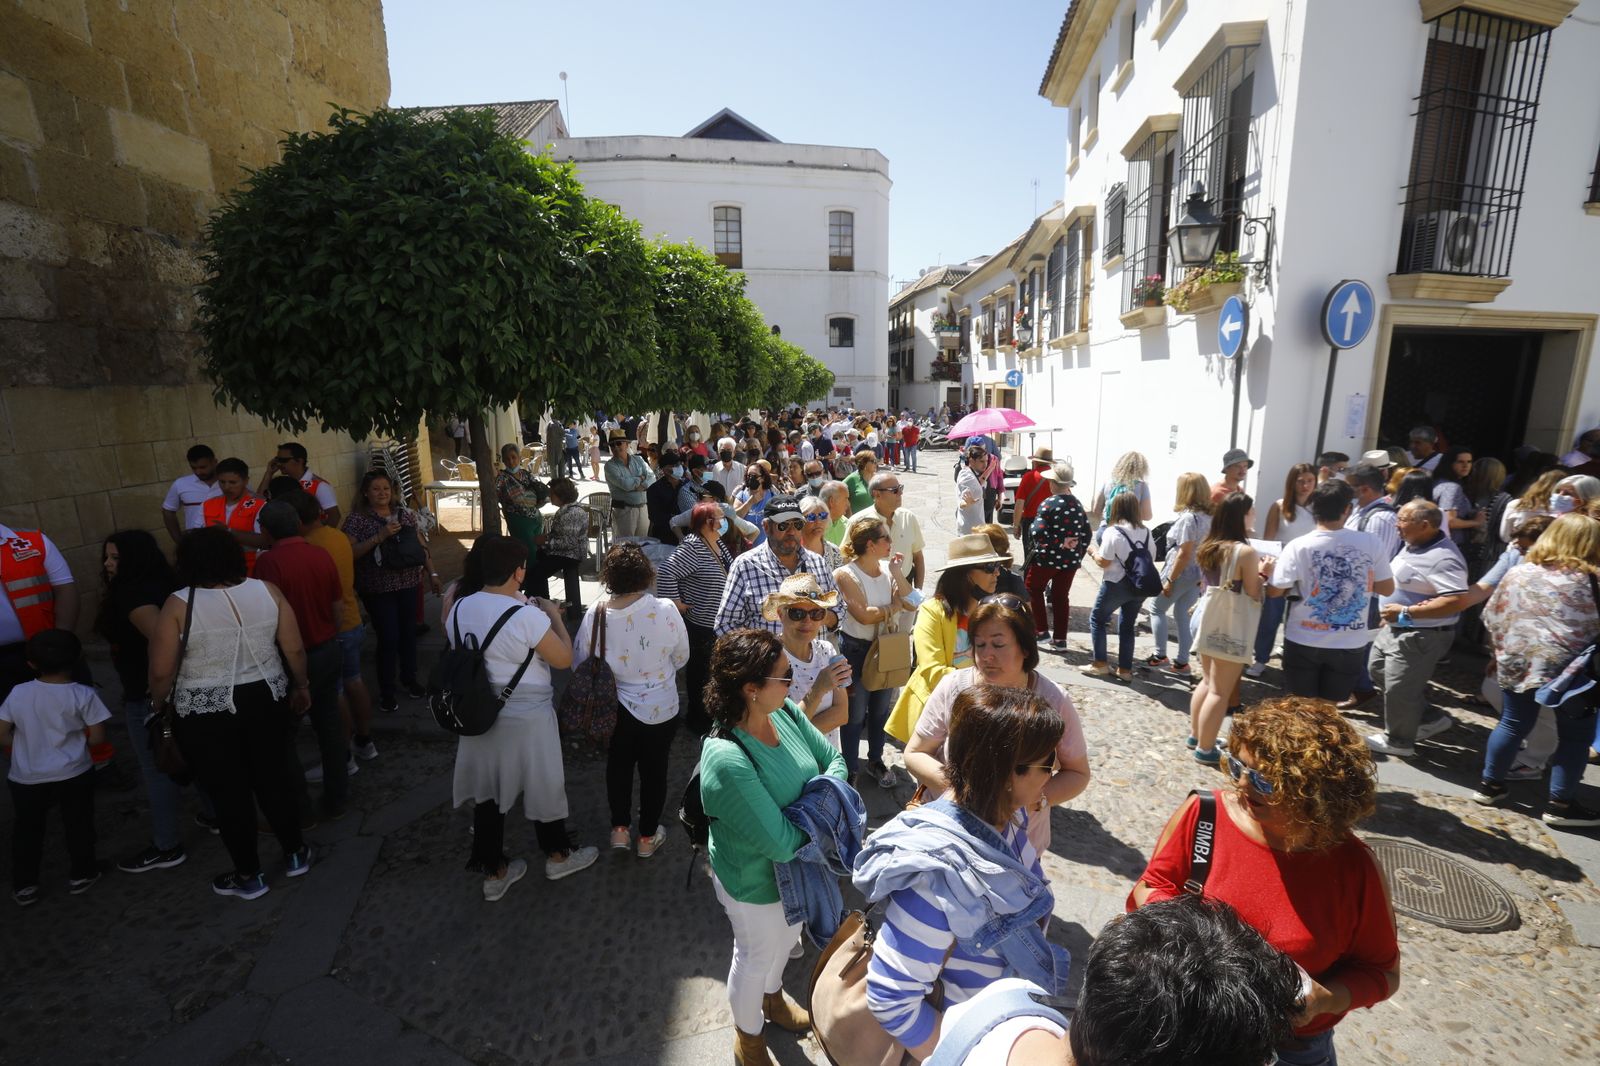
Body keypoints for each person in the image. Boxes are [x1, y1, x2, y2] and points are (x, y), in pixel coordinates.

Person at [1131, 697, 1401, 1066]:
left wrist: (1326, 999)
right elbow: (1149, 888)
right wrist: (1195, 937)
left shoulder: (1354, 868)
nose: (1243, 783)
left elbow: (1381, 972)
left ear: (1315, 792)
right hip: (1189, 1021)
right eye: (1239, 764)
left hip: (1291, 1047)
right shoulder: (1205, 815)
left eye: (1265, 780)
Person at [854, 684, 1071, 1060]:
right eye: (1047, 765)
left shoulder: (1011, 815)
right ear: (1007, 776)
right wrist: (958, 1054)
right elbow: (891, 998)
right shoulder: (935, 876)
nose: (1051, 776)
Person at [699, 628, 848, 1066]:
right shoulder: (727, 759)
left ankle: (772, 1000)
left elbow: (835, 762)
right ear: (751, 689)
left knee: (784, 943)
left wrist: (810, 808)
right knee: (755, 954)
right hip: (754, 882)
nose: (794, 683)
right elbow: (783, 844)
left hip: (799, 874)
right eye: (785, 677)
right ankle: (748, 1040)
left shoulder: (784, 712)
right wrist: (823, 806)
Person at [148, 527, 311, 901]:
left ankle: (249, 874)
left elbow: (160, 671)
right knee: (274, 779)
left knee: (228, 792)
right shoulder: (267, 590)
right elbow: (294, 649)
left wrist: (159, 705)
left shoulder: (177, 603)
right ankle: (296, 853)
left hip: (206, 708)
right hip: (266, 697)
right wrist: (301, 686)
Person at [447, 536, 596, 899]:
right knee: (543, 783)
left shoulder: (458, 606)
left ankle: (494, 873)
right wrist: (554, 617)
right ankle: (558, 855)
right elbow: (562, 659)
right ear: (518, 571)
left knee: (488, 791)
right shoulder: (526, 614)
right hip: (527, 713)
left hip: (479, 712)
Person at [904, 597, 1089, 855]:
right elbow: (915, 752)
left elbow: (1078, 773)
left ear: (1025, 648)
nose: (987, 655)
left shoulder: (1052, 699)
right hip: (950, 830)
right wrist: (961, 792)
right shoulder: (955, 687)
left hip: (1019, 845)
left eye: (999, 644)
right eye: (980, 644)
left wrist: (1036, 798)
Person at [1475, 513, 1600, 827]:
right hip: (1573, 672)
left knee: (1513, 723)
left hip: (1519, 660)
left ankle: (1490, 786)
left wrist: (1499, 651)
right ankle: (1560, 804)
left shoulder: (1519, 572)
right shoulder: (1594, 578)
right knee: (1574, 737)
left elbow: (1493, 616)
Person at [567, 543, 689, 857]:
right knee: (655, 771)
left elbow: (580, 660)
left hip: (613, 709)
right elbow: (681, 656)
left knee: (617, 768)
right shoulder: (665, 609)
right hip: (660, 707)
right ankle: (647, 837)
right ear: (646, 574)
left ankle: (619, 830)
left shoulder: (596, 612)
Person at [99, 530, 210, 873]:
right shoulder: (167, 584)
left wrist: (157, 694)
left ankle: (166, 845)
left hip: (149, 694)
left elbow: (164, 643)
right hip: (177, 688)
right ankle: (214, 814)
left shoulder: (133, 594)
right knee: (193, 756)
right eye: (107, 556)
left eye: (116, 557)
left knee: (157, 767)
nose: (107, 564)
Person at [252, 500, 348, 821]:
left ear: (265, 531)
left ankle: (300, 809)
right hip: (327, 647)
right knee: (329, 725)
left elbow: (267, 619)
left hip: (292, 656)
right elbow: (337, 605)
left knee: (286, 735)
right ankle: (338, 797)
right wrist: (328, 634)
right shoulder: (320, 554)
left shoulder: (268, 564)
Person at [1, 629, 111, 905]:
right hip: (74, 770)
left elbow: (2, 733)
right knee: (78, 822)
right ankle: (83, 872)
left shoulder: (18, 693)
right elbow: (97, 738)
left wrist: (24, 745)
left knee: (27, 829)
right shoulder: (83, 695)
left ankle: (25, 884)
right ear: (77, 659)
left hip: (27, 775)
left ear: (31, 664)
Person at [1268, 480, 1396, 702]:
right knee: (1329, 709)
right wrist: (1359, 580)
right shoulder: (1370, 542)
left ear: (1313, 508)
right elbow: (1387, 588)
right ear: (1348, 509)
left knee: (1302, 707)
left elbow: (1274, 592)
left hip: (1304, 637)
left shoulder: (1298, 546)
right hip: (1349, 641)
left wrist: (1269, 571)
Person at [1365, 499, 1469, 757]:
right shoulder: (1413, 545)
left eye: (1402, 520)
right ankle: (1429, 718)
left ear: (1424, 525)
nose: (1396, 524)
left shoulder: (1444, 557)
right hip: (1397, 626)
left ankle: (1399, 741)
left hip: (1421, 633)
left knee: (1400, 687)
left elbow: (1456, 600)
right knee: (1378, 670)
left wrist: (1407, 612)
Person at [886, 533, 1008, 742]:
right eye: (989, 567)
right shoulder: (932, 611)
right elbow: (932, 671)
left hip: (977, 714)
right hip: (938, 718)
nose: (997, 572)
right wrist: (986, 682)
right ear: (966, 575)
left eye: (998, 566)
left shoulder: (990, 613)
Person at [343, 471, 441, 713]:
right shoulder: (357, 520)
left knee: (408, 634)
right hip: (377, 589)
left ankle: (410, 679)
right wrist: (379, 536)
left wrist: (433, 574)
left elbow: (421, 545)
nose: (382, 493)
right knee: (388, 637)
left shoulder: (406, 514)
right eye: (376, 489)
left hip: (408, 583)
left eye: (386, 488)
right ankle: (387, 689)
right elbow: (350, 553)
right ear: (365, 492)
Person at [291, 492, 376, 768]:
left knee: (334, 692)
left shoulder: (308, 546)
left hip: (331, 625)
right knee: (354, 680)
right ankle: (365, 742)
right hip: (351, 620)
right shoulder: (338, 536)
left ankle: (344, 758)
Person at [833, 514, 913, 784]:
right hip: (856, 650)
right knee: (855, 713)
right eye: (885, 538)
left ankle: (876, 760)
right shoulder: (845, 574)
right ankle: (851, 766)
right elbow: (864, 616)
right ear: (870, 544)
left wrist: (898, 573)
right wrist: (893, 607)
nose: (891, 542)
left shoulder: (887, 570)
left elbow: (912, 602)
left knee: (880, 710)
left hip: (885, 648)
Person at [1187, 492, 1263, 764]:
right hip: (1228, 623)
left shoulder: (1211, 544)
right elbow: (1253, 591)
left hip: (1206, 615)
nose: (1254, 515)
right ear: (1241, 515)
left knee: (1207, 682)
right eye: (1251, 510)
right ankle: (1205, 749)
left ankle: (1197, 736)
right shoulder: (1245, 551)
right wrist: (1265, 572)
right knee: (1220, 690)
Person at [714, 495, 841, 636]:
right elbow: (725, 624)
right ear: (767, 527)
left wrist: (817, 615)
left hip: (815, 656)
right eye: (783, 525)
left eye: (797, 525)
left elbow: (840, 609)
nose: (792, 532)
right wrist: (764, 650)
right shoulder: (745, 565)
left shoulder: (818, 563)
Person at [659, 501, 733, 737]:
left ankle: (710, 715)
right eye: (719, 518)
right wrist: (675, 603)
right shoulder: (692, 546)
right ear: (707, 522)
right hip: (701, 623)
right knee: (700, 673)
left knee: (713, 672)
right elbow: (666, 572)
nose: (723, 523)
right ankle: (698, 720)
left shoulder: (716, 541)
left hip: (718, 622)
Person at [764, 574, 850, 750]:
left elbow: (842, 714)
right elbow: (780, 732)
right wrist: (818, 689)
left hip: (828, 760)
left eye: (816, 613)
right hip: (793, 768)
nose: (807, 621)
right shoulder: (769, 659)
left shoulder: (827, 650)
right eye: (797, 613)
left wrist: (799, 732)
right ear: (781, 613)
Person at [1250, 462, 1318, 677]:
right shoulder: (1279, 506)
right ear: (1292, 482)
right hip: (1280, 567)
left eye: (1310, 481)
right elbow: (1269, 540)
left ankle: (1292, 661)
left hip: (1307, 570)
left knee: (1298, 619)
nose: (1305, 485)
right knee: (1270, 617)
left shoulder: (1319, 507)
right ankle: (1260, 658)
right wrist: (1267, 568)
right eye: (1301, 481)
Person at [1081, 492, 1154, 682]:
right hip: (1139, 586)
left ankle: (1100, 664)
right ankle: (1125, 670)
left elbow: (1104, 562)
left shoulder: (1113, 531)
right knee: (1127, 626)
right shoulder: (1146, 531)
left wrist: (1092, 552)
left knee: (1097, 619)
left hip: (1116, 584)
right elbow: (1151, 557)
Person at [1146, 472, 1212, 676]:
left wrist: (1170, 580)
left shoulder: (1187, 519)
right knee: (1181, 613)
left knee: (1156, 608)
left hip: (1181, 571)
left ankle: (1159, 655)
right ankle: (1182, 661)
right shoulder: (1210, 517)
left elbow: (1183, 554)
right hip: (1198, 573)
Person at [1026, 462, 1091, 650]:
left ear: (1053, 483)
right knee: (1061, 596)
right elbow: (1086, 533)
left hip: (1047, 558)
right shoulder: (1077, 505)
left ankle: (1041, 631)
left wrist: (1056, 544)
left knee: (1033, 588)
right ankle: (1060, 639)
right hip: (1070, 560)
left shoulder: (1048, 503)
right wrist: (1077, 551)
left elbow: (1037, 532)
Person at [852, 470, 927, 589]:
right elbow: (847, 559)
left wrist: (918, 592)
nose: (900, 493)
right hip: (872, 588)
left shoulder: (908, 517)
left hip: (905, 585)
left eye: (900, 488)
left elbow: (918, 557)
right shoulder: (859, 522)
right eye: (895, 490)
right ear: (877, 494)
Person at [527, 477, 587, 610]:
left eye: (552, 493)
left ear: (561, 496)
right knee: (537, 565)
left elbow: (568, 543)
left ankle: (540, 605)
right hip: (564, 552)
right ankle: (541, 601)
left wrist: (546, 541)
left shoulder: (572, 513)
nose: (549, 495)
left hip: (570, 555)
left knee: (535, 574)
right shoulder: (567, 510)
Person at [261, 442, 339, 525]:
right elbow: (260, 502)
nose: (279, 464)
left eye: (283, 460)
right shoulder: (282, 483)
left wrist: (317, 536)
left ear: (299, 461)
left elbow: (334, 517)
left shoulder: (320, 486)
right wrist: (268, 473)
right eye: (277, 460)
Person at [1089, 450, 1154, 543]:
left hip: (1105, 532)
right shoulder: (1142, 487)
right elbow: (1147, 516)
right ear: (1142, 469)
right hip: (1130, 536)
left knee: (1105, 557)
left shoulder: (1108, 482)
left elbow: (1096, 511)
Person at [162, 444, 221, 544]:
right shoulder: (180, 484)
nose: (198, 472)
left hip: (228, 543)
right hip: (195, 544)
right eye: (194, 468)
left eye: (203, 467)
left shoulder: (231, 482)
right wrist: (179, 541)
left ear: (214, 462)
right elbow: (168, 511)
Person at [602, 430, 653, 539]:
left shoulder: (638, 460)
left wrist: (642, 485)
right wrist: (641, 478)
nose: (615, 447)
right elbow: (625, 485)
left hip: (643, 508)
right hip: (624, 511)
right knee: (624, 547)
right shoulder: (609, 466)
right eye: (612, 445)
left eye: (619, 443)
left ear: (627, 444)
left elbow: (652, 477)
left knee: (642, 545)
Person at [1010, 447, 1055, 565]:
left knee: (1030, 557)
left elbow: (1019, 504)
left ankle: (1030, 582)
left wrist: (1016, 525)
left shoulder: (1029, 476)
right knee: (1050, 558)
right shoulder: (1057, 478)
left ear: (1035, 461)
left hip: (1031, 522)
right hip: (1053, 523)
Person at [1431, 447, 1482, 549]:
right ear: (1449, 463)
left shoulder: (1439, 481)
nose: (1466, 466)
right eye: (1460, 462)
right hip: (1452, 544)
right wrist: (1477, 522)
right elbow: (1450, 521)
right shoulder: (1451, 487)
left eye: (1469, 462)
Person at [646, 448, 684, 543]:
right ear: (665, 470)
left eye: (679, 465)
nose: (678, 467)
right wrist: (676, 520)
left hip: (686, 534)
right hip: (664, 536)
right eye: (674, 466)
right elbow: (654, 516)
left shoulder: (687, 485)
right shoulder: (654, 489)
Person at [955, 445, 988, 535]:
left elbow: (978, 484)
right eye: (981, 461)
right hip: (970, 530)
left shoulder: (973, 473)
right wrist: (966, 503)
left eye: (986, 461)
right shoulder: (966, 476)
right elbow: (962, 502)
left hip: (977, 527)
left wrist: (991, 468)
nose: (985, 464)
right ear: (971, 461)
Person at [843, 450, 879, 515]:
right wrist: (849, 515)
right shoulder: (852, 479)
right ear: (863, 463)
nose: (876, 464)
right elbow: (838, 496)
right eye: (873, 461)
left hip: (876, 521)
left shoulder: (878, 479)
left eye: (876, 461)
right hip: (858, 522)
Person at [819, 480, 851, 546]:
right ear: (832, 501)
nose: (848, 504)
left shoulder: (847, 524)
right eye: (846, 499)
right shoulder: (815, 525)